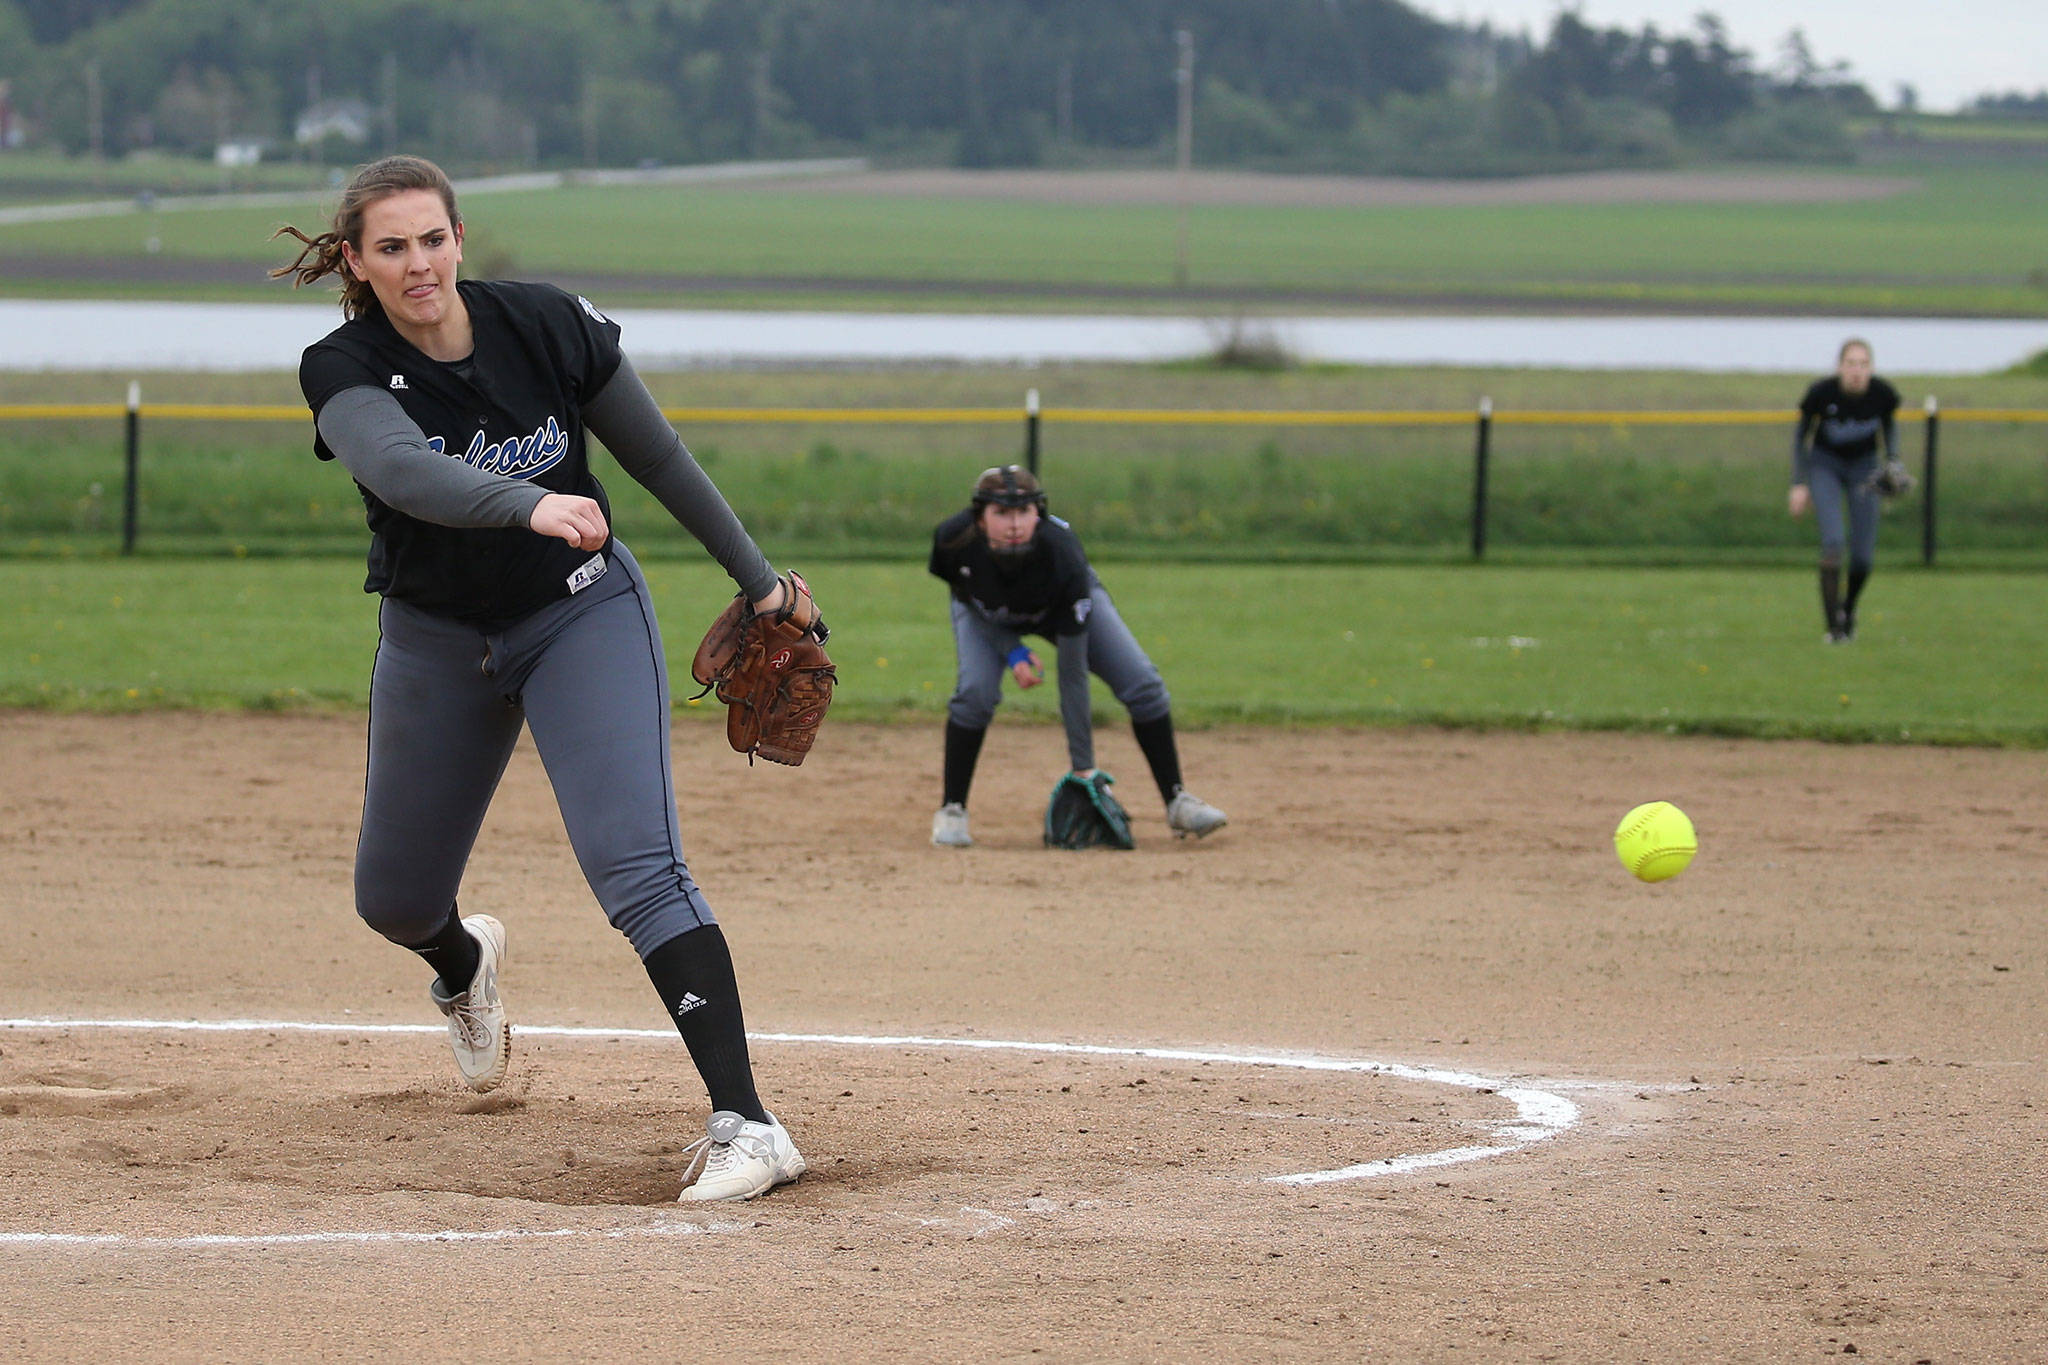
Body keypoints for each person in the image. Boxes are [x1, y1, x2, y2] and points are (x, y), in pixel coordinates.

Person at [273, 155, 807, 1202]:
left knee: (637, 865)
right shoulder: (340, 366)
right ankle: (463, 965)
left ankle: (749, 1124)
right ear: (356, 261)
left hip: (579, 612)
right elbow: (400, 470)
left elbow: (658, 459)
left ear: (459, 239)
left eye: (433, 238)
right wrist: (525, 503)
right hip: (436, 639)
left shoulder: (548, 324)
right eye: (391, 246)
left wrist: (761, 585)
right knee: (392, 899)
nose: (417, 262)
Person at [926, 464, 1227, 847]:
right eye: (1002, 512)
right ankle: (952, 810)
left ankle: (1178, 800)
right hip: (987, 615)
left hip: (1059, 609)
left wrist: (1082, 768)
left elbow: (1072, 673)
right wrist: (1012, 650)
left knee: (1143, 685)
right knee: (975, 694)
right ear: (980, 518)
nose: (1015, 523)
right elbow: (967, 598)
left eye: (1024, 511)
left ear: (1040, 513)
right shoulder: (953, 540)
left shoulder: (1062, 553)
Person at [1790, 338, 1901, 642]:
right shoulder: (1822, 393)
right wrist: (1798, 483)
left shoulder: (1881, 394)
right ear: (1840, 367)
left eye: (1863, 364)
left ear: (1871, 368)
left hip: (1864, 469)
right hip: (1825, 465)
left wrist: (1893, 462)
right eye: (1851, 364)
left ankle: (1848, 609)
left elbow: (1889, 428)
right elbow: (1802, 434)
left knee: (1863, 557)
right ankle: (1834, 628)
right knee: (1834, 542)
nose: (1856, 371)